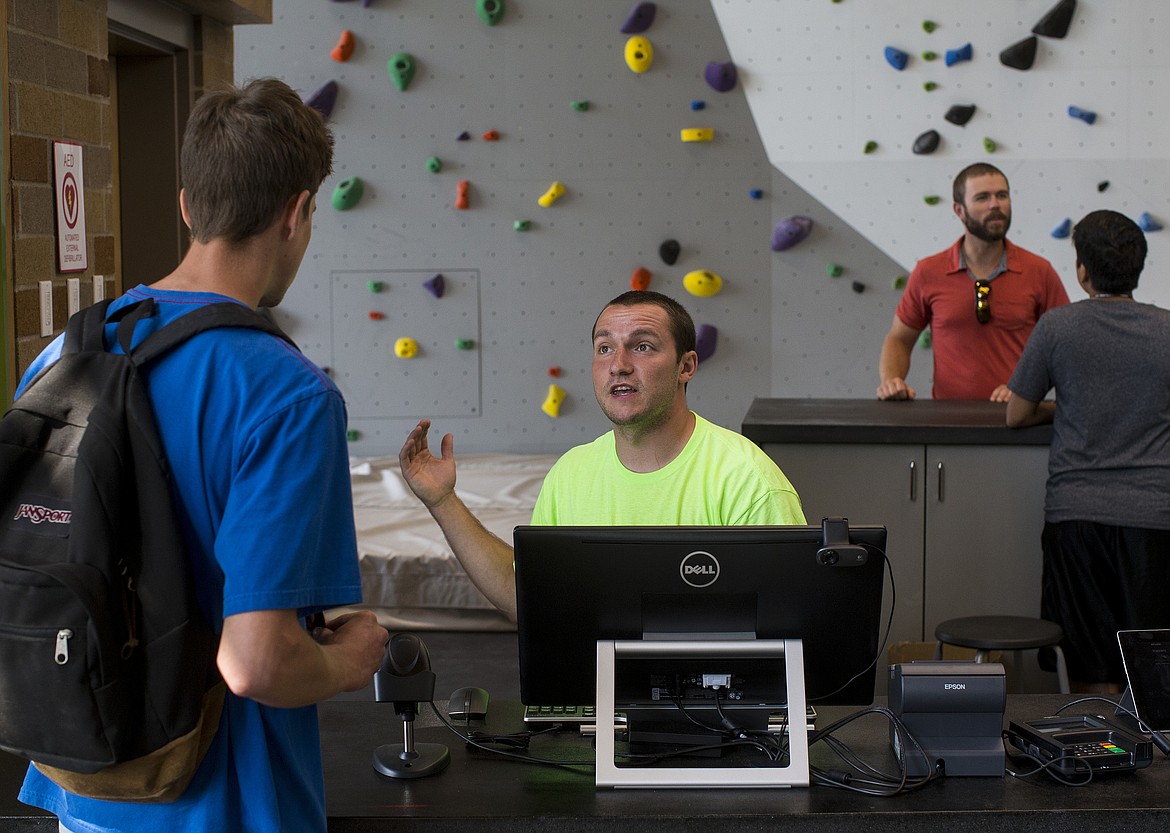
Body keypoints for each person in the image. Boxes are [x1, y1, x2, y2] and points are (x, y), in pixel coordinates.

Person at [15, 79, 388, 832]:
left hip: (79, 784)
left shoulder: (63, 354)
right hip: (222, 804)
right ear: (297, 213)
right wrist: (355, 658)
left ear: (189, 205)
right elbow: (256, 663)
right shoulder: (289, 393)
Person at [399, 290, 806, 621]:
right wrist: (442, 500)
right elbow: (530, 602)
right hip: (595, 709)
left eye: (642, 347)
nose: (619, 366)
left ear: (687, 366)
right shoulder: (571, 472)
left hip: (714, 716)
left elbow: (789, 627)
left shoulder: (748, 479)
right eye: (604, 348)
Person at [1006, 209, 1170, 691]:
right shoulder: (1167, 330)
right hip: (1155, 519)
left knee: (1090, 666)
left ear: (1082, 269)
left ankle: (1096, 757)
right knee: (1152, 664)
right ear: (1139, 266)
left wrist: (1068, 406)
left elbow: (1016, 413)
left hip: (1077, 517)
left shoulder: (1059, 327)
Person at [877, 163, 1069, 401]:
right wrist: (892, 381)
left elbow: (1065, 347)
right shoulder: (928, 272)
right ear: (959, 210)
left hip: (1019, 424)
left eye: (1002, 195)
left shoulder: (1039, 271)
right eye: (982, 197)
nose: (995, 204)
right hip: (948, 425)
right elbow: (899, 339)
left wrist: (1029, 388)